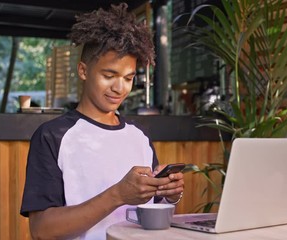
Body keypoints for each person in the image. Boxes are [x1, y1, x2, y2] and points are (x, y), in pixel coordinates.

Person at [20, 3, 184, 239]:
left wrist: (169, 195)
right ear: (83, 71)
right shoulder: (53, 137)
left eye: (128, 78)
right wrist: (117, 195)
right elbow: (42, 230)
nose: (119, 88)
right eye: (109, 75)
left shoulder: (139, 138)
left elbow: (154, 215)